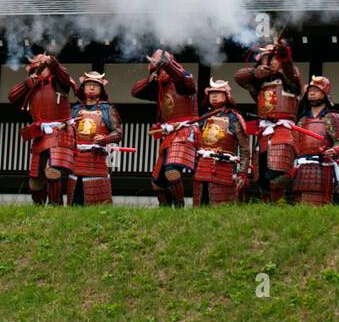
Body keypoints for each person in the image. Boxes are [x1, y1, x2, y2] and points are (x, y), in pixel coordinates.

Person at [236, 37, 303, 203]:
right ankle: (268, 207)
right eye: (267, 61)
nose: (271, 63)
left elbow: (289, 68)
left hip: (283, 130)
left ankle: (278, 204)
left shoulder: (289, 81)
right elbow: (239, 77)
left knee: (278, 175)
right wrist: (255, 72)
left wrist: (283, 53)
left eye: (273, 60)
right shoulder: (258, 86)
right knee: (262, 178)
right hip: (264, 132)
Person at [8, 52, 77, 205]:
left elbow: (65, 76)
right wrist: (27, 83)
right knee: (35, 181)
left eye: (44, 67)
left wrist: (54, 63)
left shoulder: (60, 81)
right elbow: (12, 97)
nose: (41, 71)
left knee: (52, 172)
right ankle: (38, 209)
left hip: (60, 130)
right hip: (40, 134)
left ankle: (55, 206)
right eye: (37, 69)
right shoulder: (32, 85)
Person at [132, 48, 198, 207]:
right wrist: (152, 76)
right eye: (155, 61)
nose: (158, 64)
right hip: (169, 134)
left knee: (172, 172)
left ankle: (180, 208)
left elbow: (187, 85)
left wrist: (168, 65)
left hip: (185, 131)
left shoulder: (183, 76)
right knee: (157, 184)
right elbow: (135, 92)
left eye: (160, 61)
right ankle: (166, 213)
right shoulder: (159, 84)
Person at [291, 75, 339, 205]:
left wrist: (333, 151)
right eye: (310, 90)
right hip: (302, 168)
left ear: (325, 93)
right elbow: (295, 142)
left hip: (323, 167)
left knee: (321, 202)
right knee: (300, 203)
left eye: (316, 90)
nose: (311, 93)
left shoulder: (334, 117)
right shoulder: (302, 120)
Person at [68, 72, 123, 206]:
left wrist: (105, 138)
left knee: (98, 198)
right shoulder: (75, 109)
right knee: (75, 197)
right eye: (88, 85)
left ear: (101, 89)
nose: (91, 88)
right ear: (83, 88)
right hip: (77, 159)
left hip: (97, 158)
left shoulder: (107, 109)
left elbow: (118, 132)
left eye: (95, 85)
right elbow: (66, 131)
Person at [193, 80, 251, 206]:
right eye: (212, 93)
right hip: (202, 166)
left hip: (223, 167)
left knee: (222, 206)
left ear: (226, 96)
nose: (214, 96)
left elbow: (244, 148)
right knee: (200, 205)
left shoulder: (233, 118)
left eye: (218, 93)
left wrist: (242, 173)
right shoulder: (204, 117)